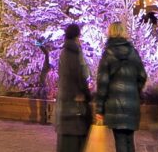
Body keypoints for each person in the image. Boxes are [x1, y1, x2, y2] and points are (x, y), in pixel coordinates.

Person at [95, 22, 147, 152]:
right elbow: (142, 75)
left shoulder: (108, 53)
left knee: (120, 140)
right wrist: (136, 90)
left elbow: (102, 82)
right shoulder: (133, 52)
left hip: (114, 103)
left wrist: (99, 109)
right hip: (131, 103)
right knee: (129, 139)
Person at [56, 24, 91, 152]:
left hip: (65, 101)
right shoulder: (75, 51)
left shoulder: (64, 51)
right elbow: (82, 74)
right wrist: (86, 94)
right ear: (77, 36)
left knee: (66, 141)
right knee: (74, 141)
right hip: (74, 104)